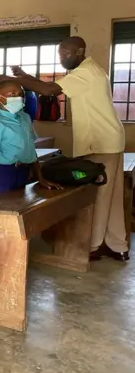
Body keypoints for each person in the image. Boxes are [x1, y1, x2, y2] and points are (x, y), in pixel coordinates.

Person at [11, 36, 128, 261]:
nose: (62, 58)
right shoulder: (90, 70)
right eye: (60, 54)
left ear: (80, 51)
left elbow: (49, 90)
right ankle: (117, 245)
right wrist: (24, 76)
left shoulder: (85, 73)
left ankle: (92, 246)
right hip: (108, 138)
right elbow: (50, 87)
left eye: (65, 53)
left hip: (101, 141)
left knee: (100, 194)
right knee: (112, 196)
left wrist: (18, 80)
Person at [0, 79, 61, 197]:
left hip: (24, 172)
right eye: (12, 94)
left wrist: (40, 178)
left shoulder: (25, 118)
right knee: (3, 209)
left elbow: (31, 149)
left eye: (20, 94)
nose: (18, 98)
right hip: (6, 173)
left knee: (20, 206)